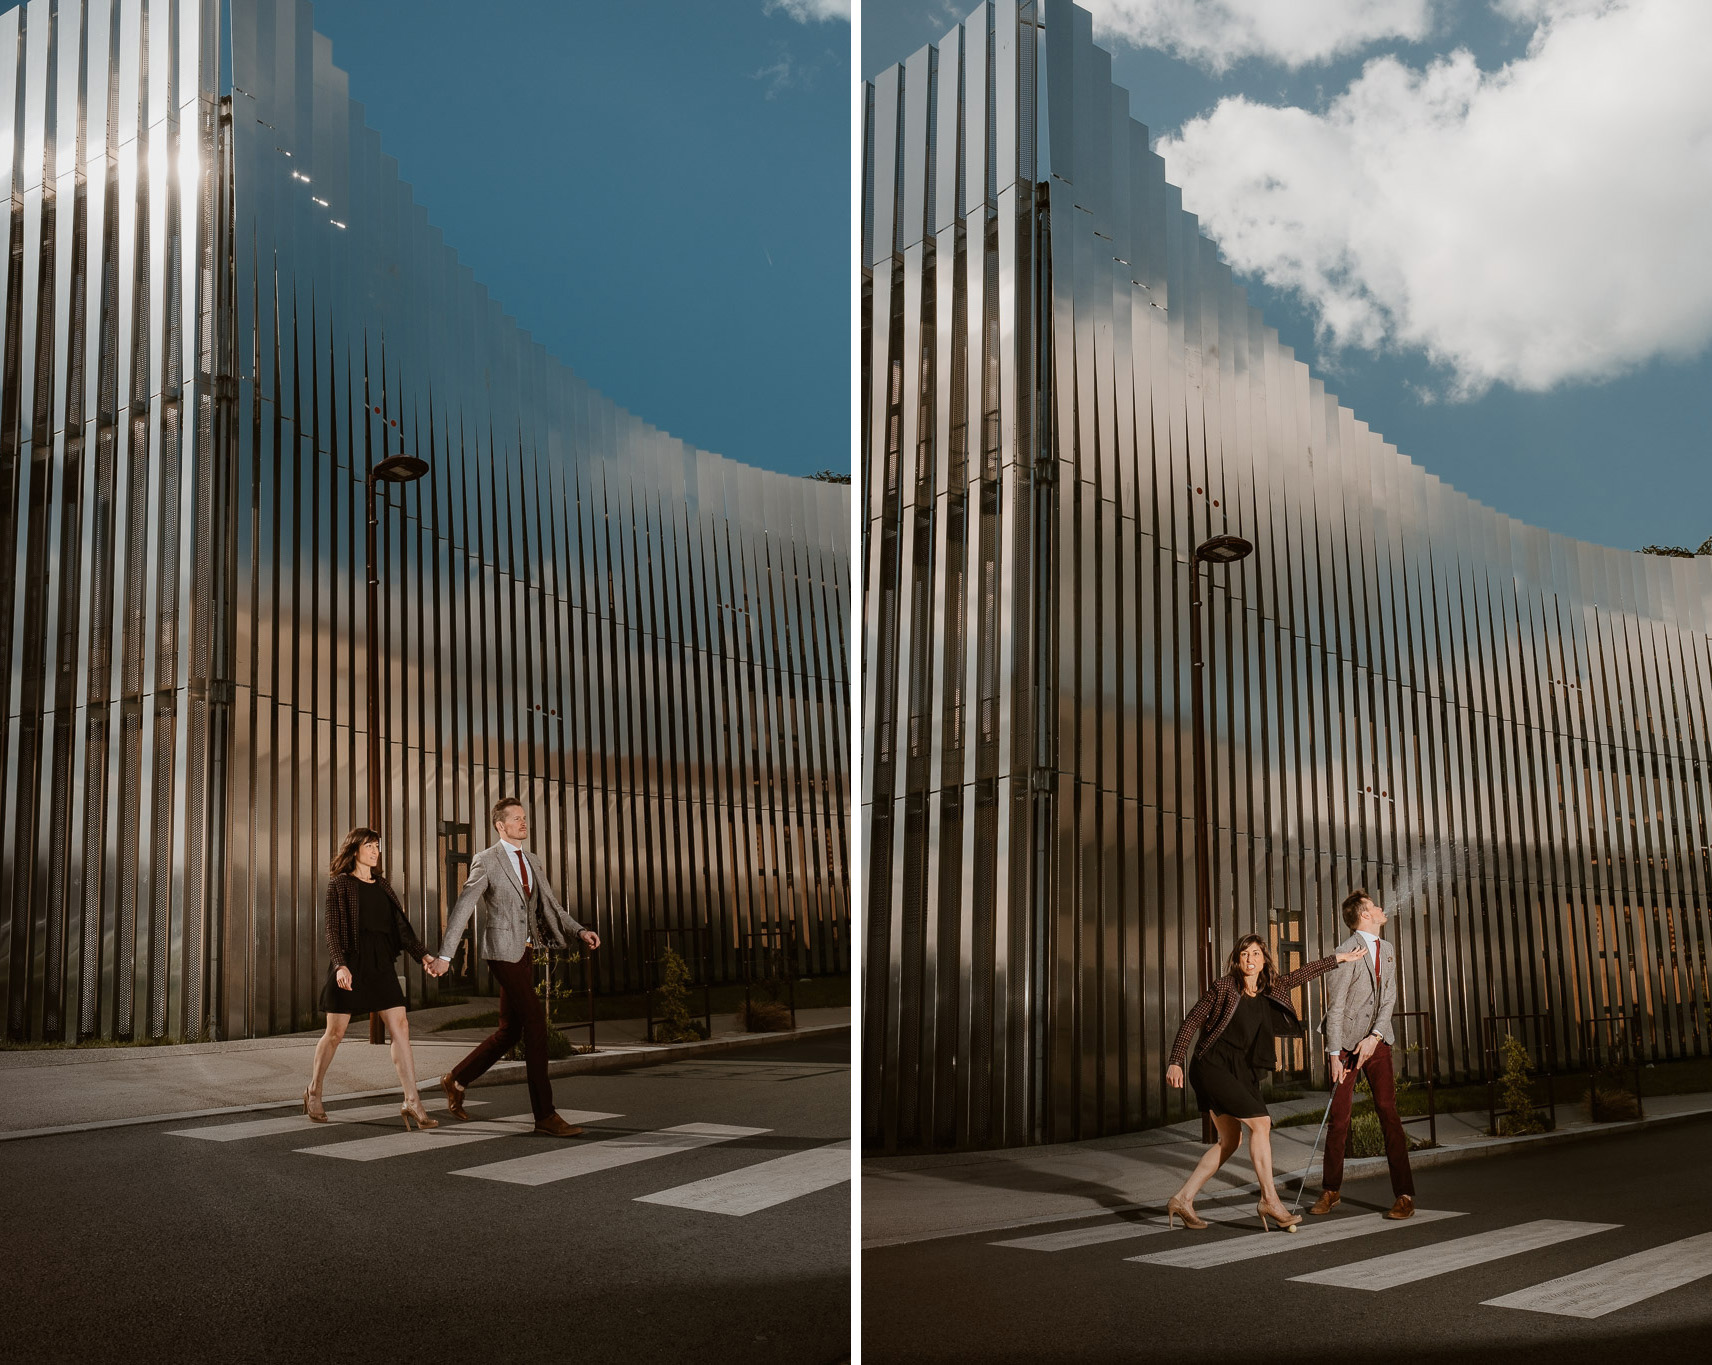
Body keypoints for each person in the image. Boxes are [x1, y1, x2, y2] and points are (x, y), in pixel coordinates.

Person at [1165, 935, 1368, 1231]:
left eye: (1256, 954)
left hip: (1241, 1071)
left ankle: (1183, 1199)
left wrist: (1340, 959)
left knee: (1230, 1141)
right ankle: (1270, 1200)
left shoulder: (1271, 988)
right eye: (1245, 954)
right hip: (1212, 1064)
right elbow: (1192, 1020)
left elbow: (1304, 972)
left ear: (1264, 960)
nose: (1250, 959)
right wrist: (1175, 1060)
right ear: (1238, 960)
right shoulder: (1224, 987)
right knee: (1261, 1123)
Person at [428, 797, 601, 1137]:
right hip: (501, 952)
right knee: (536, 1024)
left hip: (526, 953)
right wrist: (446, 956)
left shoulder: (533, 861)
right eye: (517, 819)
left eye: (525, 818)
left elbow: (550, 905)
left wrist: (579, 930)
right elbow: (464, 906)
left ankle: (456, 1079)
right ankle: (545, 1115)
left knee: (510, 1031)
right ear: (500, 825)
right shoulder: (486, 860)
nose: (524, 823)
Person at [304, 827, 442, 1129]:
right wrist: (340, 965)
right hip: (351, 963)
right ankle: (314, 1090)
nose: (375, 850)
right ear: (355, 850)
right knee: (335, 1033)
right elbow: (332, 930)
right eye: (369, 845)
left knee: (401, 1026)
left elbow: (401, 929)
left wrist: (425, 956)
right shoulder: (339, 885)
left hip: (381, 964)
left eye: (377, 846)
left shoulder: (382, 885)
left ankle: (412, 1100)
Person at [1309, 889, 1416, 1220]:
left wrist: (1375, 1037)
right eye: (1375, 906)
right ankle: (1331, 1190)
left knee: (1388, 1112)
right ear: (1365, 915)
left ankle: (1404, 1194)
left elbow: (1389, 999)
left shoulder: (1388, 949)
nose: (1382, 908)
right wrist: (1333, 1055)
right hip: (1345, 1047)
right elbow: (1336, 1007)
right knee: (1340, 1118)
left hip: (1378, 1043)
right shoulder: (1344, 952)